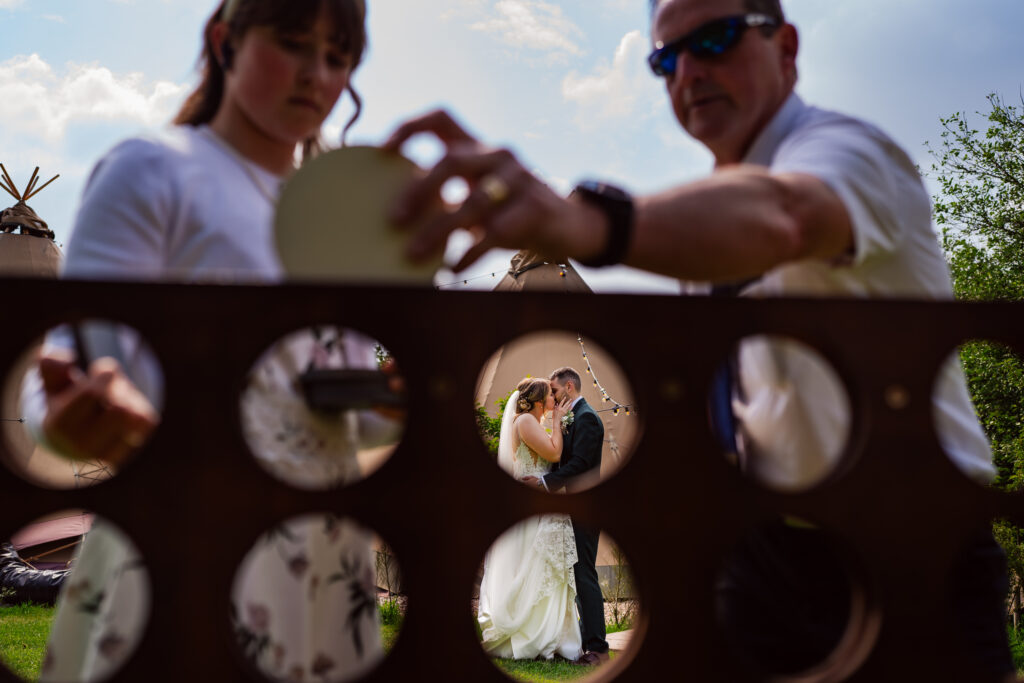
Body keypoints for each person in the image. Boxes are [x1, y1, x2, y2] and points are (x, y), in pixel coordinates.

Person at [383, 0, 1012, 678]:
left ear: (787, 47)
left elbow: (788, 215)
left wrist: (586, 221)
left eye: (714, 38)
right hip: (763, 557)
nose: (686, 71)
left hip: (909, 545)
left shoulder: (852, 152)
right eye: (665, 58)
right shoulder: (703, 227)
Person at [21, 1, 402, 682]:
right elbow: (68, 364)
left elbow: (341, 410)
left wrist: (393, 399)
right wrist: (74, 420)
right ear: (224, 42)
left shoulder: (342, 214)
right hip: (187, 521)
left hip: (324, 541)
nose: (316, 75)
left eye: (339, 57)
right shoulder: (153, 171)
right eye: (292, 44)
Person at [478, 377, 582, 661]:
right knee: (535, 567)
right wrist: (558, 422)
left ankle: (555, 636)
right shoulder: (525, 422)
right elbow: (555, 452)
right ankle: (532, 635)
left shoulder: (531, 422)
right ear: (539, 401)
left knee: (544, 568)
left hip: (542, 502)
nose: (555, 399)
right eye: (551, 395)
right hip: (532, 505)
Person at [523, 367, 609, 666]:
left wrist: (545, 483)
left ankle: (597, 648)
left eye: (555, 391)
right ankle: (584, 641)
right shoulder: (575, 417)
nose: (553, 397)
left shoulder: (587, 418)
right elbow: (564, 458)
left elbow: (582, 464)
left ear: (569, 387)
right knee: (577, 573)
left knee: (585, 574)